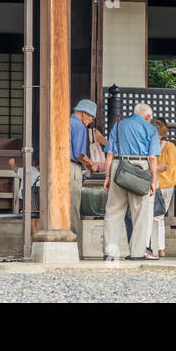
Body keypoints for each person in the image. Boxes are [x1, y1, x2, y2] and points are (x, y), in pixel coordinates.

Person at [102, 101, 160, 260]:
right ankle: (137, 253)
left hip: (118, 166)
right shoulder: (151, 129)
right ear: (148, 116)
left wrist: (107, 176)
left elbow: (109, 154)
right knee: (140, 213)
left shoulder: (118, 125)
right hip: (140, 167)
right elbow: (153, 158)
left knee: (113, 211)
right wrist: (153, 180)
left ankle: (110, 253)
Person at [146, 120, 176, 260]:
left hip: (156, 184)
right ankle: (160, 248)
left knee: (153, 216)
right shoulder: (171, 147)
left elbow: (161, 166)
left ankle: (155, 247)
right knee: (159, 217)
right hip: (168, 184)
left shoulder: (151, 145)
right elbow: (175, 166)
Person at [69, 99, 97, 253]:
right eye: (91, 117)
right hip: (72, 169)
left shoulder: (66, 122)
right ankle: (74, 247)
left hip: (61, 167)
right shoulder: (79, 126)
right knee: (73, 206)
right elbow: (79, 154)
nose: (91, 120)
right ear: (84, 113)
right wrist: (91, 164)